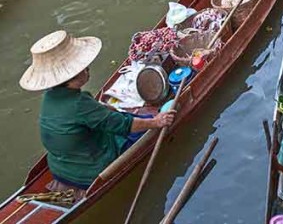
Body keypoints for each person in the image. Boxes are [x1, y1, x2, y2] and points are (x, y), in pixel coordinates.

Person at [19, 30, 176, 192]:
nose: (87, 69)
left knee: (123, 117)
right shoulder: (79, 104)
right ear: (75, 74)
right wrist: (157, 121)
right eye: (84, 68)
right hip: (90, 173)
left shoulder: (49, 97)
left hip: (58, 168)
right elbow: (123, 125)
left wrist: (103, 109)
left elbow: (83, 116)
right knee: (141, 127)